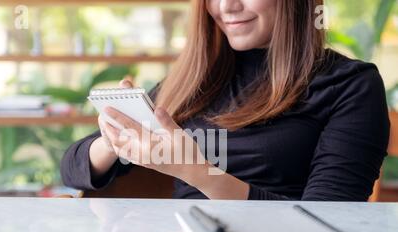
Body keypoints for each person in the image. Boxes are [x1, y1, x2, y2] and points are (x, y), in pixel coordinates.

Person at [61, 0, 390, 201]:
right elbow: (72, 168)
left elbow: (329, 221)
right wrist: (114, 140)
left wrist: (199, 173)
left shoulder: (350, 84)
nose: (226, 6)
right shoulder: (194, 79)